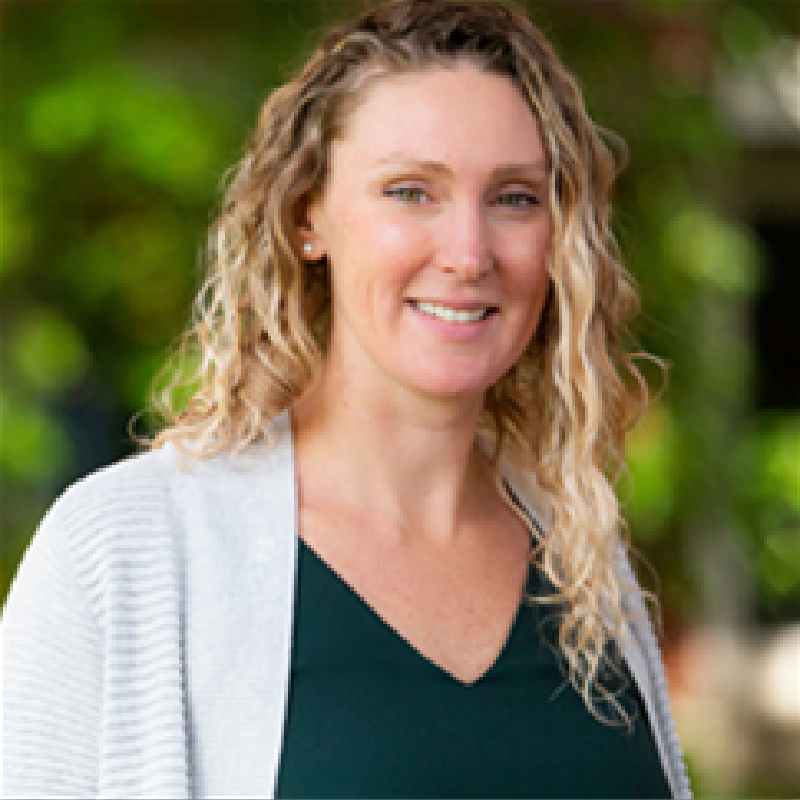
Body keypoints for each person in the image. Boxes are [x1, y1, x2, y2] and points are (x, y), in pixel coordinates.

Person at [2, 1, 692, 797]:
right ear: (307, 217)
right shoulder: (124, 556)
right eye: (410, 191)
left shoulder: (584, 559)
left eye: (513, 198)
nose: (468, 253)